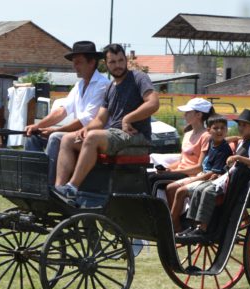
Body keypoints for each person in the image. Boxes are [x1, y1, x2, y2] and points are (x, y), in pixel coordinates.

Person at [54, 44, 160, 204]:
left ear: (126, 60)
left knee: (93, 137)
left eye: (120, 60)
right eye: (112, 62)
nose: (117, 65)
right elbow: (100, 120)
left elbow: (153, 103)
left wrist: (127, 119)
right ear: (106, 63)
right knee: (68, 139)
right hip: (114, 135)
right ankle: (59, 189)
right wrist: (85, 129)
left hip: (136, 136)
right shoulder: (110, 87)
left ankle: (72, 188)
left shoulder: (139, 78)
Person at [24, 41, 109, 185]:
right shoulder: (79, 84)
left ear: (92, 62)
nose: (74, 66)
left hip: (91, 137)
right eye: (74, 62)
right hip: (76, 134)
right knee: (33, 137)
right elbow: (62, 110)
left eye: (78, 62)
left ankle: (48, 186)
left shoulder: (103, 85)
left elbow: (87, 120)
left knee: (56, 137)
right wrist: (38, 126)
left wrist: (55, 130)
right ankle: (34, 181)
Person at [177, 109, 250, 243]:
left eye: (244, 125)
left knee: (208, 191)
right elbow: (225, 140)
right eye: (239, 125)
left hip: (237, 182)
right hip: (229, 177)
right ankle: (194, 226)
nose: (241, 128)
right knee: (199, 189)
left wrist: (238, 157)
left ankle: (203, 228)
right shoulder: (243, 142)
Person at [167, 115, 233, 233]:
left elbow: (212, 173)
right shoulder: (212, 143)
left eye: (223, 128)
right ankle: (177, 222)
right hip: (202, 175)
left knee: (180, 191)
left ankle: (173, 223)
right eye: (216, 128)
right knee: (170, 187)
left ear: (226, 130)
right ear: (208, 131)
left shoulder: (224, 150)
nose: (219, 131)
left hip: (211, 179)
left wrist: (191, 180)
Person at [149, 97, 215, 204]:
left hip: (190, 175)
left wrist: (174, 171)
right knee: (149, 176)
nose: (184, 115)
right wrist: (167, 168)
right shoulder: (187, 134)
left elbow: (199, 167)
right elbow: (182, 160)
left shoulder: (206, 136)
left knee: (153, 179)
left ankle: (159, 214)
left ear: (199, 115)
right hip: (180, 171)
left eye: (188, 112)